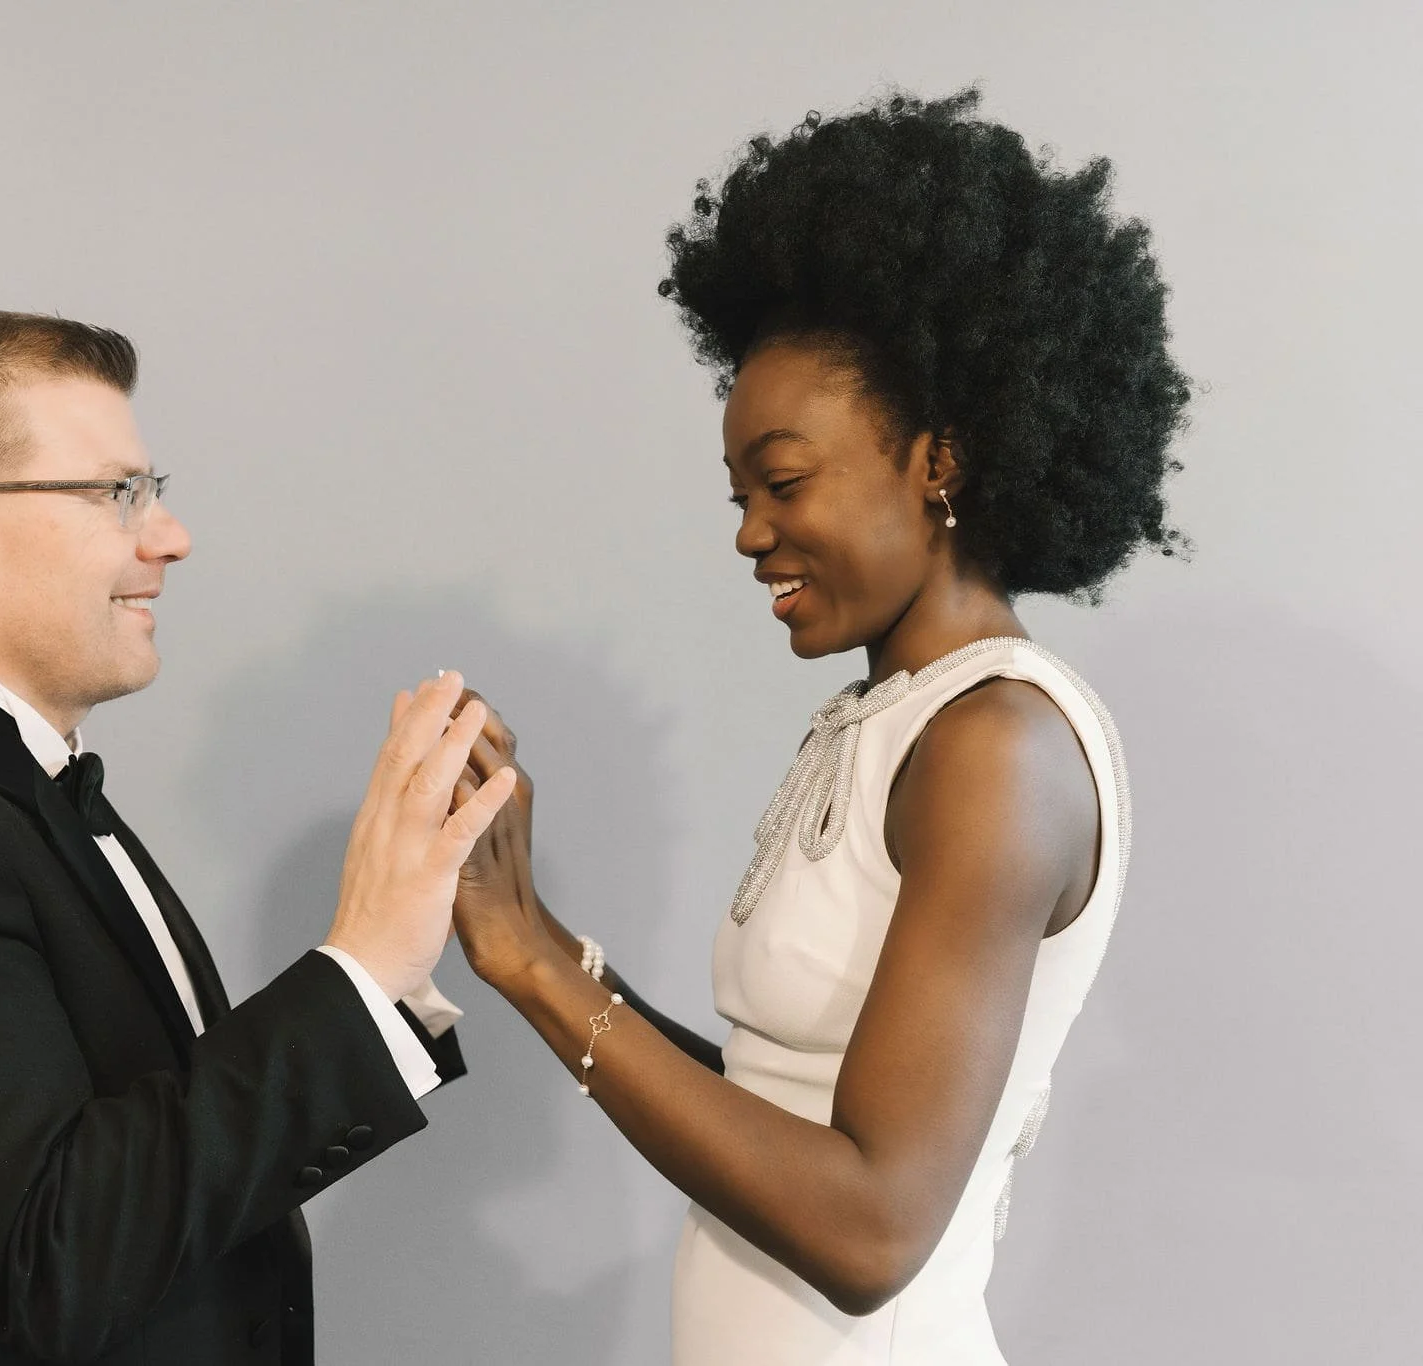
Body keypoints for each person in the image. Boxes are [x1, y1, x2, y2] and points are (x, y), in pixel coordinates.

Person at [448, 90, 1189, 1364]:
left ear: (938, 461)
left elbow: (866, 1229)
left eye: (783, 483)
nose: (747, 533)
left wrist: (526, 967)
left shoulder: (994, 747)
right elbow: (763, 1108)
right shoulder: (880, 719)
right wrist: (541, 940)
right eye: (738, 495)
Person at [0, 311, 516, 1365]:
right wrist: (359, 965)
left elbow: (156, 1188)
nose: (168, 537)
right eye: (117, 492)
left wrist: (387, 967)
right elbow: (51, 1253)